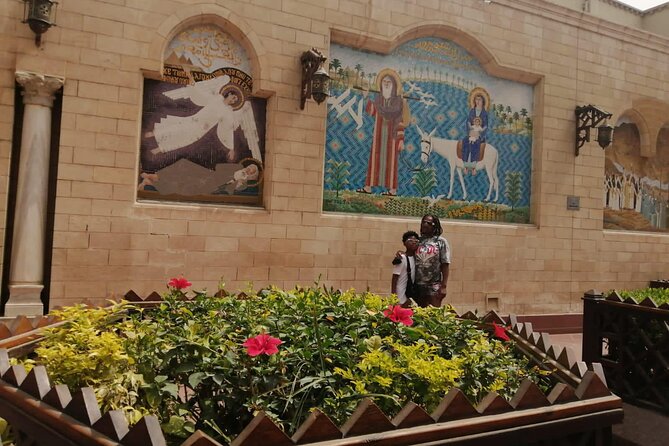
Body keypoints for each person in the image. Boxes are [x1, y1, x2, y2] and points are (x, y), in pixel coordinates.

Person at [144, 77, 261, 162]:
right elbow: (202, 95)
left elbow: (227, 128)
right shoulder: (217, 98)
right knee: (177, 128)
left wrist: (231, 148)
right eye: (233, 96)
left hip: (200, 131)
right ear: (229, 94)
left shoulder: (228, 112)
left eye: (235, 100)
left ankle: (159, 149)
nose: (234, 100)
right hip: (195, 120)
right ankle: (152, 134)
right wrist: (194, 85)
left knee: (184, 140)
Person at [356, 69, 411, 196]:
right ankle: (368, 187)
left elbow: (400, 121)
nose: (386, 84)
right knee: (374, 160)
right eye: (384, 81)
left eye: (389, 82)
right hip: (379, 136)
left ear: (393, 85)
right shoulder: (378, 100)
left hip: (392, 137)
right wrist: (365, 97)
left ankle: (392, 190)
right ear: (381, 84)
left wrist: (401, 140)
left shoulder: (397, 102)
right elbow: (372, 111)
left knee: (391, 164)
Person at [414, 214, 451, 307]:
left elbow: (445, 264)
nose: (425, 224)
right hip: (417, 286)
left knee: (433, 315)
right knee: (418, 315)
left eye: (429, 223)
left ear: (435, 226)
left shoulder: (441, 241)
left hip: (434, 286)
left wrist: (443, 286)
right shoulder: (418, 240)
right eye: (423, 222)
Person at [458, 88, 489, 175]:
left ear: (483, 101)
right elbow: (468, 121)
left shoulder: (484, 113)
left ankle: (474, 167)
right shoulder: (472, 111)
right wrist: (470, 130)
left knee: (476, 146)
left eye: (480, 99)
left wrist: (479, 134)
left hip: (479, 135)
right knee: (465, 142)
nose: (478, 101)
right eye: (476, 99)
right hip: (471, 134)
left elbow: (486, 126)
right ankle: (466, 166)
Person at [391, 231, 419, 307]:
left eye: (416, 241)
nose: (413, 242)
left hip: (409, 294)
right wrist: (394, 297)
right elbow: (394, 278)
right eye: (410, 241)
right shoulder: (402, 258)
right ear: (404, 243)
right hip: (400, 294)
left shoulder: (417, 258)